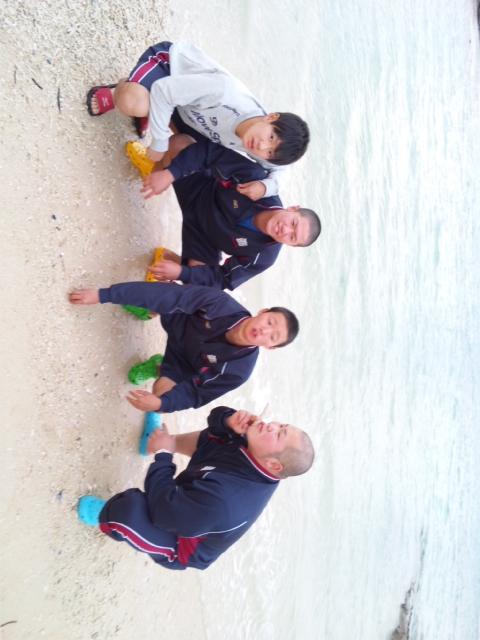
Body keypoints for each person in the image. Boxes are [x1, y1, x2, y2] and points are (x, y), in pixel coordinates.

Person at [77, 405, 315, 570]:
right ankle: (155, 441)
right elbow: (215, 421)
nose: (272, 426)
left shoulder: (227, 501)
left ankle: (103, 515)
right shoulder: (257, 449)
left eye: (279, 434)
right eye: (281, 425)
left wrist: (163, 455)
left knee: (128, 509)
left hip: (181, 541)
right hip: (196, 500)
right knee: (219, 437)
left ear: (274, 465)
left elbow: (164, 511)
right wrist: (229, 420)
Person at [86, 41, 310, 199]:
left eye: (269, 152)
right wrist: (159, 141)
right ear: (271, 117)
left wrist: (265, 187)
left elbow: (282, 172)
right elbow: (164, 90)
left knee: (186, 150)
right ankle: (120, 91)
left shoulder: (259, 146)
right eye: (270, 137)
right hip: (170, 70)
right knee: (132, 102)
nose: (261, 146)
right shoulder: (225, 94)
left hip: (188, 110)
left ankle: (151, 112)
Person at [68, 281, 299, 413]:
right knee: (166, 291)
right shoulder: (220, 303)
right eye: (270, 322)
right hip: (177, 321)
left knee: (161, 398)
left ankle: (158, 367)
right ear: (263, 312)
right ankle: (148, 310)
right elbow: (169, 295)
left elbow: (197, 394)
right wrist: (104, 295)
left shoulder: (239, 371)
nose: (264, 331)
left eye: (273, 337)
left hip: (182, 363)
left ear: (270, 348)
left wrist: (161, 403)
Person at [136, 135, 321, 290]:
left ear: (291, 245)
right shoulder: (258, 183)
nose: (285, 230)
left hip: (203, 240)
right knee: (179, 143)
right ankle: (152, 173)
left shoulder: (264, 257)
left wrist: (182, 273)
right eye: (293, 223)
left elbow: (223, 279)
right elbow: (211, 152)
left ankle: (171, 260)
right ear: (293, 208)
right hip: (199, 190)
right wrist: (170, 174)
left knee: (202, 292)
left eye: (292, 237)